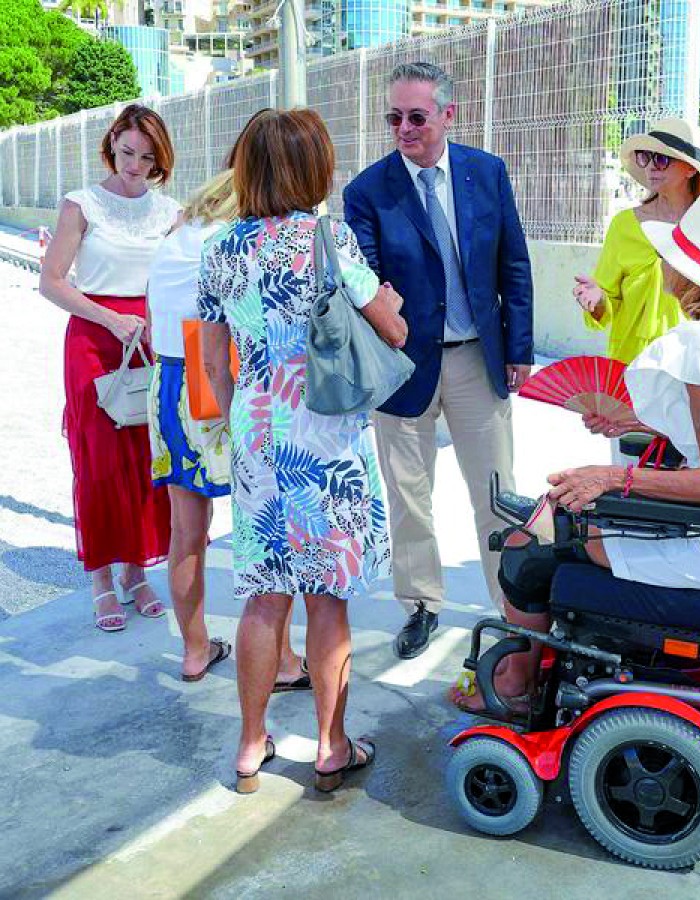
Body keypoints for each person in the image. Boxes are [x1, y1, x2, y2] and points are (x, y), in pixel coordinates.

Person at [452, 195, 700, 711]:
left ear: (687, 274)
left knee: (529, 547)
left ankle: (515, 687)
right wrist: (638, 421)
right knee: (554, 515)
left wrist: (615, 479)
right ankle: (531, 669)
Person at [198, 109, 407, 793]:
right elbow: (394, 331)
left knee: (263, 600)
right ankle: (330, 744)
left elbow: (213, 362)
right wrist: (393, 304)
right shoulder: (328, 238)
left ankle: (251, 744)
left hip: (259, 435)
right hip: (325, 438)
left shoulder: (220, 249)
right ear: (311, 169)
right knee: (327, 601)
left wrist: (246, 414)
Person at [343, 61, 534, 661]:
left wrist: (520, 348)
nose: (404, 128)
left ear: (448, 115)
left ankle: (513, 605)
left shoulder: (486, 172)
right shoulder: (368, 192)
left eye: (417, 117)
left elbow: (514, 265)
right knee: (409, 495)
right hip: (402, 366)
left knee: (496, 491)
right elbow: (365, 281)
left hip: (480, 357)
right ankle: (420, 605)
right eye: (394, 118)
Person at [146, 168, 307, 687]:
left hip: (167, 378)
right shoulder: (231, 242)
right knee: (264, 528)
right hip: (213, 373)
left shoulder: (177, 236)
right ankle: (280, 660)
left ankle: (194, 650)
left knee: (185, 531)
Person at [39, 104, 178, 632]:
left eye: (147, 157)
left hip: (152, 340)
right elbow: (52, 281)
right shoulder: (81, 203)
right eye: (127, 152)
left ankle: (136, 573)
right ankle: (100, 580)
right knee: (98, 465)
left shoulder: (170, 211)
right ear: (112, 142)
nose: (135, 165)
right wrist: (112, 320)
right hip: (95, 340)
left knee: (147, 460)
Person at [573, 118, 700, 365]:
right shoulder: (623, 224)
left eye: (662, 158)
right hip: (630, 363)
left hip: (690, 365)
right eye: (646, 157)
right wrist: (597, 300)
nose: (651, 167)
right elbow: (607, 303)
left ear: (691, 169)